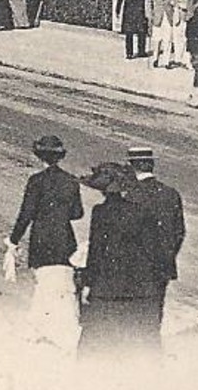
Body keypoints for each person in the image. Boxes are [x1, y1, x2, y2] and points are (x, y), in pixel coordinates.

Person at [77, 162, 167, 356]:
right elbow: (152, 250)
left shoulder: (100, 213)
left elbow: (96, 252)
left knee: (95, 341)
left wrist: (87, 283)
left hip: (107, 287)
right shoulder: (141, 212)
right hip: (137, 286)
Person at [7, 135, 84, 351]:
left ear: (39, 156)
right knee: (62, 285)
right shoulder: (71, 180)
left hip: (41, 237)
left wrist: (13, 239)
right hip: (64, 238)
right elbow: (77, 213)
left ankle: (41, 329)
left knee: (43, 283)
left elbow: (26, 214)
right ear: (60, 156)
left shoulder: (36, 181)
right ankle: (61, 331)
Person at [122, 145, 185, 339]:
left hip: (134, 267)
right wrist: (167, 256)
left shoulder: (130, 195)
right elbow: (179, 232)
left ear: (133, 166)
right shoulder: (171, 194)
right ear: (152, 165)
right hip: (161, 266)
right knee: (153, 318)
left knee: (130, 317)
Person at [145, 0, 182, 69]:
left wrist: (174, 10)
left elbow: (176, 0)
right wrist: (149, 14)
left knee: (167, 39)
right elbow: (148, 0)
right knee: (156, 39)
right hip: (157, 16)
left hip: (168, 17)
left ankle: (166, 61)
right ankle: (155, 59)